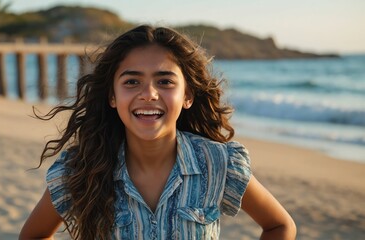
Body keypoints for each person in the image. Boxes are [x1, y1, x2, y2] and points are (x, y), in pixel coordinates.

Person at [19, 25, 296, 240]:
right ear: (112, 96)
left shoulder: (218, 163)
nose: (148, 94)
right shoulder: (79, 169)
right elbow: (33, 235)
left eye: (164, 81)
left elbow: (280, 225)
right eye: (132, 81)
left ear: (187, 95)